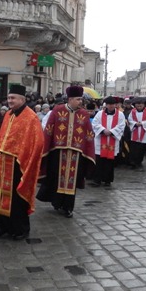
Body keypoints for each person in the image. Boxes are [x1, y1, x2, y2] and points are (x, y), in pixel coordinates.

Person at [0, 84, 44, 240]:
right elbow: (2, 136)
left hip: (18, 163)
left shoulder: (31, 117)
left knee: (16, 198)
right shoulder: (8, 114)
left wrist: (25, 158)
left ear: (22, 99)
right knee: (0, 196)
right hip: (2, 161)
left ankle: (20, 228)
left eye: (13, 98)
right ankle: (2, 226)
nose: (10, 101)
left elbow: (38, 142)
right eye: (9, 98)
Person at [37, 85, 95, 218]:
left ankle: (68, 207)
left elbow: (88, 134)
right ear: (70, 99)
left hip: (76, 153)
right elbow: (49, 130)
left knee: (71, 182)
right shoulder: (57, 110)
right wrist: (46, 147)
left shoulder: (84, 114)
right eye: (78, 99)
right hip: (58, 152)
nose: (80, 102)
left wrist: (88, 150)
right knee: (57, 178)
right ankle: (57, 202)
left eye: (81, 99)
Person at [91, 96, 126, 187]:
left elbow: (121, 125)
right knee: (99, 161)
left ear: (115, 105)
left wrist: (111, 132)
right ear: (106, 105)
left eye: (112, 104)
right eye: (109, 104)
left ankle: (108, 180)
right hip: (100, 141)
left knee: (109, 162)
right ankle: (97, 180)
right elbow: (95, 124)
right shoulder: (99, 114)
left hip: (112, 140)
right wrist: (103, 130)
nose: (111, 106)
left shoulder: (120, 115)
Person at [127, 98, 146, 170]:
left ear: (143, 105)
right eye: (137, 105)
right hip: (135, 132)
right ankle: (133, 163)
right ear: (135, 105)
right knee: (134, 149)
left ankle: (139, 162)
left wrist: (142, 123)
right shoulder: (132, 112)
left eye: (141, 105)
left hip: (144, 133)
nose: (139, 107)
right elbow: (130, 120)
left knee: (141, 149)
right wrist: (135, 124)